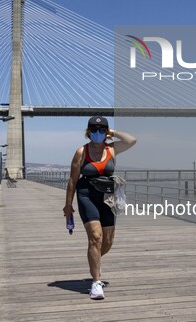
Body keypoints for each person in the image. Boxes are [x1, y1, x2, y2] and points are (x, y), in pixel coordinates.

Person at [63, 116, 136, 300]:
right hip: (86, 194)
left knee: (108, 241)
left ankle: (95, 261)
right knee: (96, 237)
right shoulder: (81, 152)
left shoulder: (112, 149)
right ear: (88, 132)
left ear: (106, 132)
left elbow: (131, 140)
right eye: (94, 130)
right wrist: (68, 206)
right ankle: (96, 283)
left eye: (102, 130)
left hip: (107, 197)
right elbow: (72, 181)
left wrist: (113, 133)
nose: (98, 133)